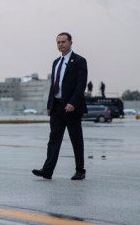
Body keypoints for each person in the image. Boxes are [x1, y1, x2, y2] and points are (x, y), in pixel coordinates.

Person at [32, 32, 87, 180]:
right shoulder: (56, 62)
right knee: (54, 139)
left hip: (71, 107)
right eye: (58, 42)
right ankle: (47, 170)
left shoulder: (80, 61)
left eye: (63, 42)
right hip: (56, 106)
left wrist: (72, 103)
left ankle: (80, 170)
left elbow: (81, 85)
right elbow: (53, 85)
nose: (60, 44)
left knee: (76, 139)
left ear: (70, 43)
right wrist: (50, 105)